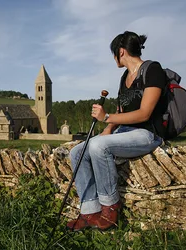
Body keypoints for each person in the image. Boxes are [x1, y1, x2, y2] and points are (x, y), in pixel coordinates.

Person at [67, 31, 166, 231]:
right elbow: (122, 110)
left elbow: (144, 113)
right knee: (77, 152)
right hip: (124, 132)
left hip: (147, 134)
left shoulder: (153, 70)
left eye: (114, 54)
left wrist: (106, 118)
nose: (114, 58)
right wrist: (108, 129)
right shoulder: (125, 77)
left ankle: (110, 207)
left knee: (97, 146)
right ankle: (89, 213)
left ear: (121, 52)